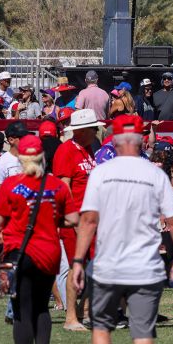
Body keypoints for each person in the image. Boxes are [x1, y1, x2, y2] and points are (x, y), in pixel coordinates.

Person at [72, 113, 173, 344]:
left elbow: (88, 219)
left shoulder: (101, 172)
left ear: (114, 140)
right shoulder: (155, 174)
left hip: (109, 264)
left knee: (101, 327)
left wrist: (78, 260)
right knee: (143, 333)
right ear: (141, 141)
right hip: (146, 267)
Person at [0, 134, 74, 344]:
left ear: (21, 158)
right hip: (50, 252)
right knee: (42, 307)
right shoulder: (57, 185)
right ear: (43, 157)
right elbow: (72, 219)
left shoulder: (11, 185)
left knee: (22, 311)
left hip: (20, 254)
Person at [53, 108, 101, 332]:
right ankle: (70, 317)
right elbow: (64, 188)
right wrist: (72, 218)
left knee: (94, 267)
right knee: (76, 265)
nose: (96, 131)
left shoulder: (88, 149)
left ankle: (85, 310)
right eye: (92, 128)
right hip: (76, 221)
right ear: (81, 130)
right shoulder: (66, 150)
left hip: (90, 219)